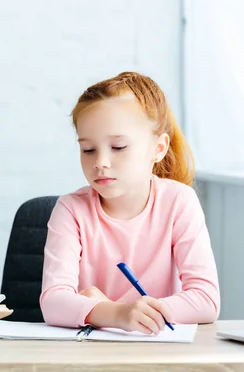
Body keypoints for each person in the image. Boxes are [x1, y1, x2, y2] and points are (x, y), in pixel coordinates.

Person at [40, 71, 220, 335]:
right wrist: (118, 314)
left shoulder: (179, 202)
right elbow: (53, 303)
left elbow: (206, 300)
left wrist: (114, 311)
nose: (100, 161)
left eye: (119, 147)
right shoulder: (70, 210)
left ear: (158, 149)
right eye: (88, 149)